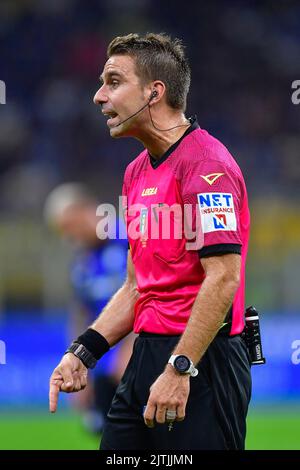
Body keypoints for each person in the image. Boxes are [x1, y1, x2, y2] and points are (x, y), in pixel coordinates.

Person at [49, 33, 252, 450]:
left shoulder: (208, 167)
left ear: (153, 93)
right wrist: (83, 352)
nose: (98, 96)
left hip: (201, 362)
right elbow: (136, 285)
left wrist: (180, 369)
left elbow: (223, 278)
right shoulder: (135, 172)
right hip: (145, 357)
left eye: (113, 81)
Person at [44, 183, 133, 433]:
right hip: (107, 366)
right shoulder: (82, 265)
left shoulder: (132, 237)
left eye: (69, 227)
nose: (69, 237)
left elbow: (151, 296)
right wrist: (77, 362)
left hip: (146, 354)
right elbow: (80, 314)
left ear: (86, 211)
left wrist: (134, 346)